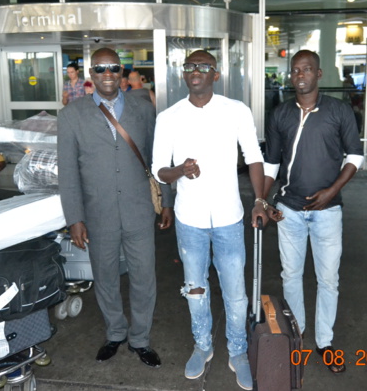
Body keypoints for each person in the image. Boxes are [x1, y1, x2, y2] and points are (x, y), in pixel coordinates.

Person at [152, 50, 266, 390]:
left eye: (203, 66)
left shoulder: (236, 111)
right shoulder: (169, 117)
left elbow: (254, 157)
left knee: (235, 292)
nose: (195, 71)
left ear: (216, 74)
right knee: (196, 290)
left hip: (230, 217)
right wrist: (180, 170)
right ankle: (202, 346)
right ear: (183, 75)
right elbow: (160, 170)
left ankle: (238, 351)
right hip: (190, 221)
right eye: (189, 66)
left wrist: (260, 200)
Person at [57, 48, 173, 369]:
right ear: (90, 75)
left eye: (113, 68)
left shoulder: (143, 109)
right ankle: (115, 332)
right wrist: (75, 219)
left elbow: (157, 159)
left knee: (143, 277)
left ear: (121, 72)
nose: (107, 74)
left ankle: (140, 339)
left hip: (138, 210)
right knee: (105, 277)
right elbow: (68, 172)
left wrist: (166, 202)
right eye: (100, 69)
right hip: (98, 214)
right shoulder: (70, 116)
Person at [262, 50, 364, 374]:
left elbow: (356, 157)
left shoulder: (338, 110)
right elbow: (272, 163)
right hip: (289, 209)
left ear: (319, 74)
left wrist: (332, 191)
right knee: (290, 275)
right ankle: (297, 334)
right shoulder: (279, 114)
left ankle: (325, 342)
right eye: (295, 70)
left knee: (328, 279)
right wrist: (263, 200)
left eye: (307, 69)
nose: (300, 75)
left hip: (328, 211)